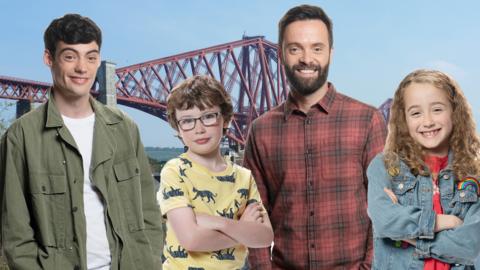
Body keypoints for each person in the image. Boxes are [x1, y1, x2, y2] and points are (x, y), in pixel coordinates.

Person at [0, 14, 163, 269]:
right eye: (70, 56)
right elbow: (16, 235)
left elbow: (149, 213)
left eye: (91, 56)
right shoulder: (20, 137)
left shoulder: (125, 128)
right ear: (48, 59)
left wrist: (150, 261)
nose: (82, 68)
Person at [243, 4, 387, 270]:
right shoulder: (260, 130)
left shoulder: (367, 120)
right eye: (295, 48)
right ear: (282, 53)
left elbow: (384, 208)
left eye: (316, 48)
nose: (306, 58)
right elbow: (253, 212)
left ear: (330, 53)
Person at [367, 69, 480, 269]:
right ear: (404, 120)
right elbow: (385, 220)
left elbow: (471, 247)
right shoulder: (384, 167)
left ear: (455, 111)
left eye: (437, 109)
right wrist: (444, 222)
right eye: (416, 113)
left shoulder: (474, 171)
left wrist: (412, 238)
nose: (427, 121)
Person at [159, 75, 273, 269]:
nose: (199, 129)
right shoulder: (174, 171)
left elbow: (265, 237)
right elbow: (191, 240)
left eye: (209, 116)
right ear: (178, 129)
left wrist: (216, 222)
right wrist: (243, 230)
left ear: (226, 120)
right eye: (187, 121)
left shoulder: (244, 177)